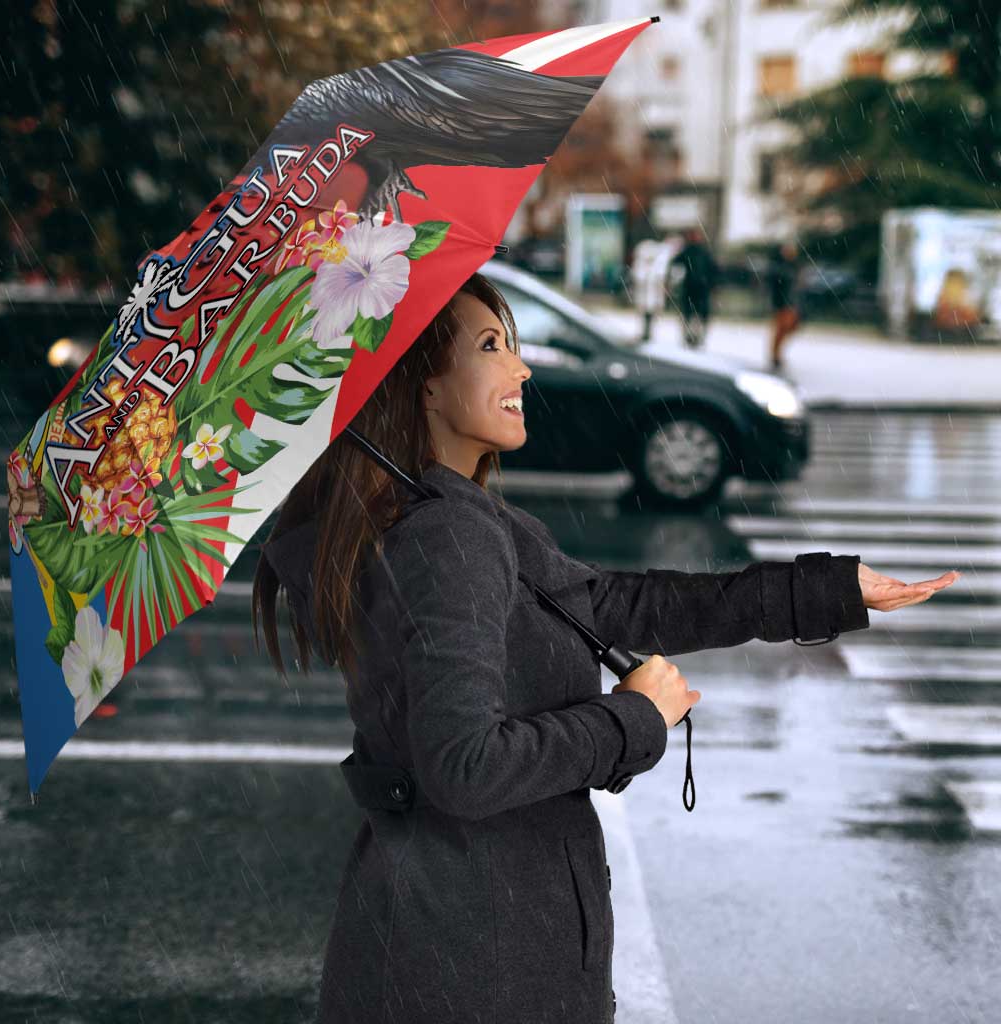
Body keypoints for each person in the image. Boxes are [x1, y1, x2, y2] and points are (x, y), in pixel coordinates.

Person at [252, 271, 958, 1024]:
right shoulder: (447, 537)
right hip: (474, 962)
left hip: (457, 942)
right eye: (491, 346)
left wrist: (827, 591)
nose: (521, 368)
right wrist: (631, 719)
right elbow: (464, 768)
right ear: (423, 386)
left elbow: (619, 605)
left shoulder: (455, 519)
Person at [669, 226, 719, 349]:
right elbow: (675, 264)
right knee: (690, 314)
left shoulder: (702, 252)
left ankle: (696, 337)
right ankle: (690, 337)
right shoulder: (689, 251)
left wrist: (712, 284)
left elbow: (713, 270)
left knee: (697, 315)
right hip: (692, 288)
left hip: (700, 288)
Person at [767, 239, 803, 371]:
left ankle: (777, 354)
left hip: (791, 303)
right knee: (781, 329)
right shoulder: (779, 267)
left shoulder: (794, 266)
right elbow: (776, 286)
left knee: (789, 328)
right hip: (782, 303)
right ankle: (775, 355)